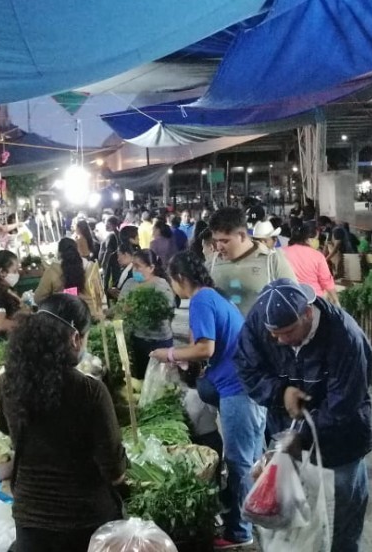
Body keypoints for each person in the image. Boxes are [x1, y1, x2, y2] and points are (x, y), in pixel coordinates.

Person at [236, 279, 372, 552]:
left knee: (339, 524)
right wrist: (280, 392)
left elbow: (343, 406)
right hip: (286, 439)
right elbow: (247, 368)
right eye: (272, 333)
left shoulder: (345, 337)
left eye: (285, 332)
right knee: (290, 522)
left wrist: (302, 435)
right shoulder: (260, 320)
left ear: (307, 314)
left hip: (340, 446)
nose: (277, 340)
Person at [0, 295, 126, 551]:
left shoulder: (7, 384)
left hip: (31, 524)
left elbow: (4, 427)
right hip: (86, 524)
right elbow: (115, 471)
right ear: (75, 338)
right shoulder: (90, 391)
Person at [151, 252, 264, 549]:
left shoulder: (200, 300)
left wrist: (170, 354)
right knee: (249, 459)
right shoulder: (213, 296)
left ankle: (239, 532)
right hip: (243, 385)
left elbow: (205, 349)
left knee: (241, 463)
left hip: (239, 389)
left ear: (178, 279)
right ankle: (248, 513)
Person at [207, 207, 295, 316]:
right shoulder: (212, 263)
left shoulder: (272, 260)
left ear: (242, 236)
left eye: (224, 241)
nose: (219, 247)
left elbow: (292, 300)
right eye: (216, 241)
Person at [118, 250, 174, 379]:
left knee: (162, 379)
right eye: (133, 266)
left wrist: (137, 309)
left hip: (159, 340)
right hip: (138, 339)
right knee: (143, 377)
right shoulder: (130, 283)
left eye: (138, 266)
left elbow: (166, 312)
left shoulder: (161, 285)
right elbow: (120, 306)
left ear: (151, 267)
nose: (135, 270)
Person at [35, 238, 102, 317]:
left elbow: (38, 297)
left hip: (63, 321)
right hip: (91, 317)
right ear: (77, 251)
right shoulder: (91, 267)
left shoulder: (52, 271)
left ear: (59, 253)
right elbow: (99, 294)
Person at [283, 224, 340, 305]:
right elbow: (326, 280)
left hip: (288, 297)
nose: (318, 242)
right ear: (308, 239)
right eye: (316, 239)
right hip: (314, 299)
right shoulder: (317, 256)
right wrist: (335, 300)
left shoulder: (282, 252)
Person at [99, 216, 122, 295]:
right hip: (116, 264)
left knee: (108, 286)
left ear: (113, 225)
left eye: (108, 224)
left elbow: (108, 251)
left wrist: (104, 264)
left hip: (110, 265)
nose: (106, 225)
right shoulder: (118, 233)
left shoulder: (111, 235)